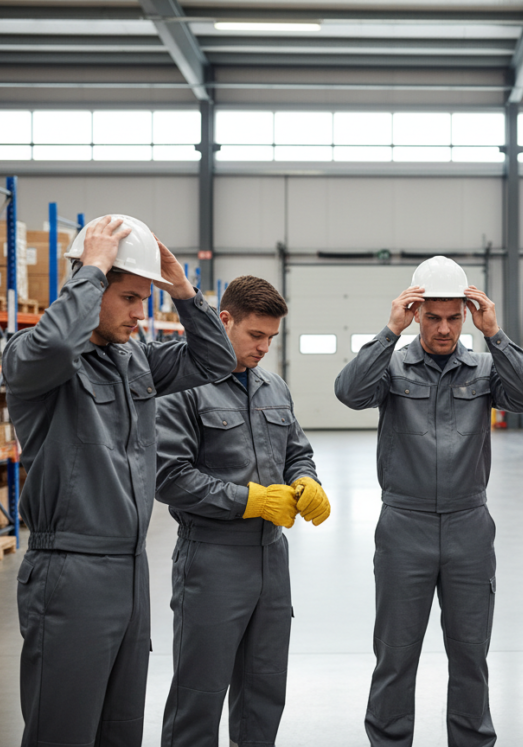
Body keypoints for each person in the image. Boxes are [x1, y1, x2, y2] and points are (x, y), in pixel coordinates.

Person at [3, 215, 237, 747]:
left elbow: (216, 361)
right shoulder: (32, 358)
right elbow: (58, 345)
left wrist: (181, 290)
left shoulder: (132, 359)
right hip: (71, 570)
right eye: (130, 297)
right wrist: (91, 269)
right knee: (63, 731)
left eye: (146, 299)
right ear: (88, 284)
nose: (140, 313)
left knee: (121, 730)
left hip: (131, 569)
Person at [334, 256, 523, 747]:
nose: (444, 328)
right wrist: (389, 332)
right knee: (395, 654)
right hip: (403, 526)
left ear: (466, 316)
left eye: (454, 318)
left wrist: (496, 334)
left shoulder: (487, 366)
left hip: (469, 526)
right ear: (416, 313)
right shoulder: (390, 365)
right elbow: (348, 393)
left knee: (470, 655)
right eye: (433, 317)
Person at [153, 274, 329, 747]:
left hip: (272, 558)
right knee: (199, 695)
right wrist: (249, 499)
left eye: (271, 338)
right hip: (212, 560)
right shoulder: (182, 389)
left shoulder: (274, 387)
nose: (264, 347)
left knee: (264, 693)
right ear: (224, 321)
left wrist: (306, 480)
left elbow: (298, 450)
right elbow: (168, 476)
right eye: (256, 335)